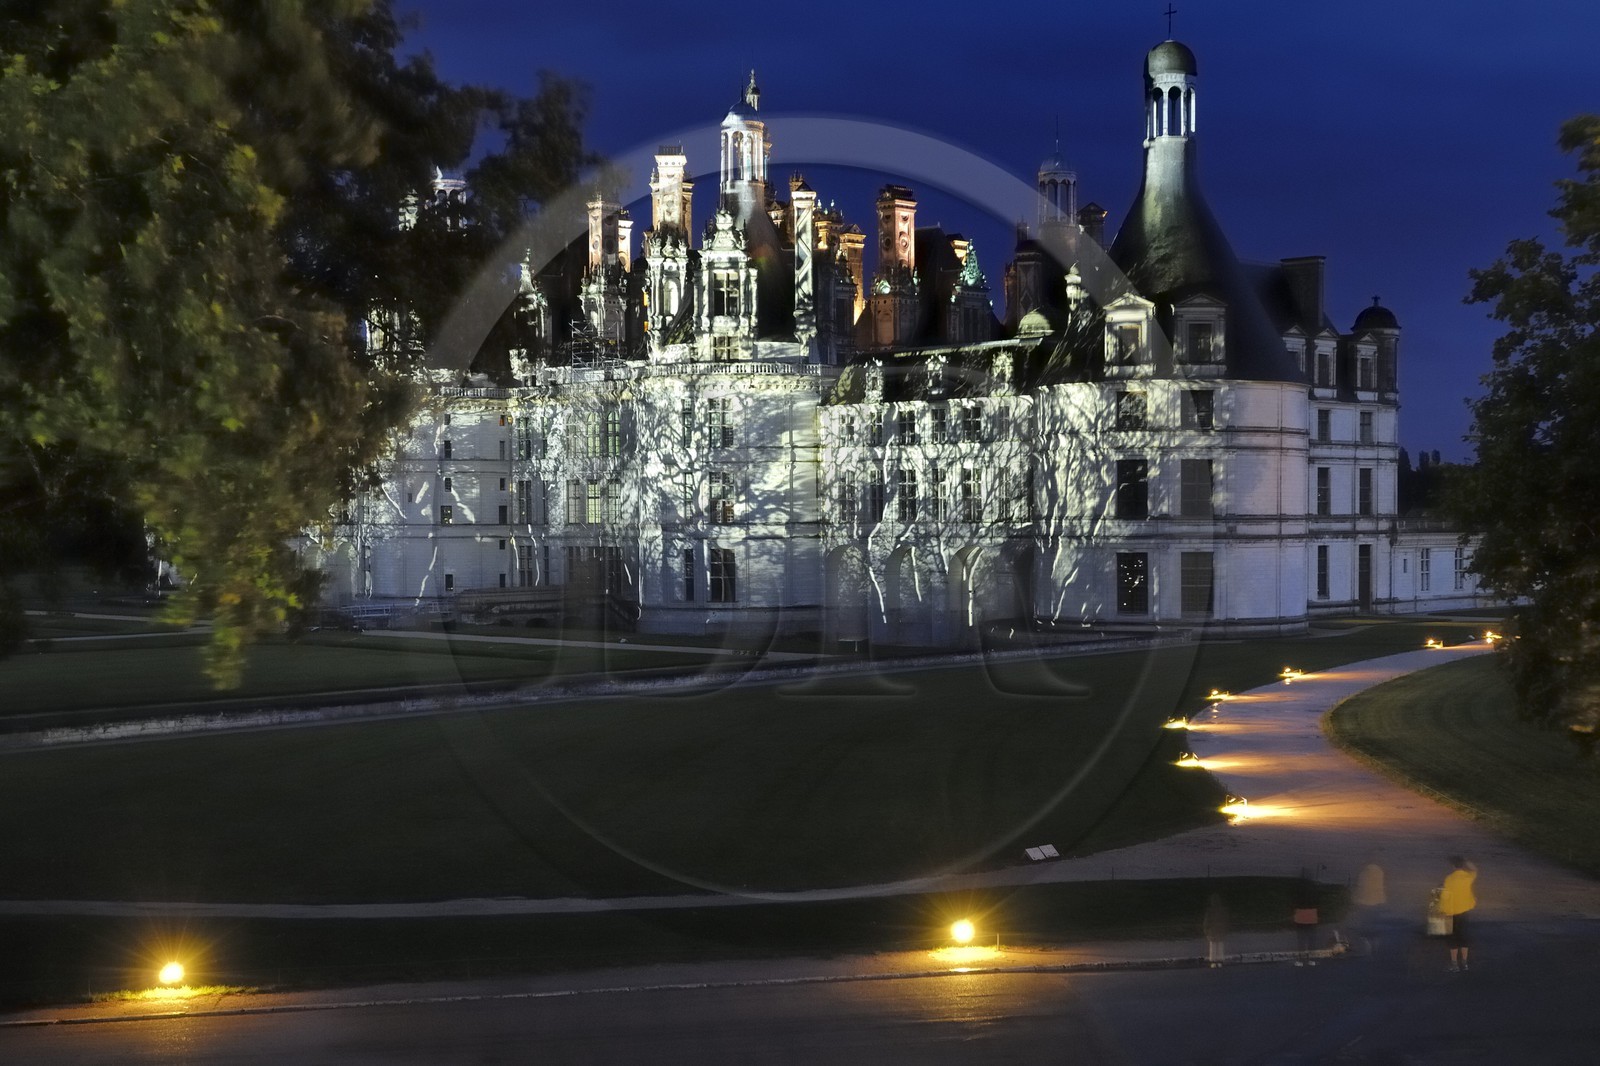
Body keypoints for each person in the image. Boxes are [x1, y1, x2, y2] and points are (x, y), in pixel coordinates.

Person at [1439, 856, 1478, 971]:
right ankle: (1465, 963)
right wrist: (1467, 861)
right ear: (1462, 866)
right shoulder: (1468, 877)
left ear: (1453, 866)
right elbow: (1475, 870)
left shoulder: (1449, 879)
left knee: (1453, 939)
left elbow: (1446, 895)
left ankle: (1454, 964)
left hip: (1451, 912)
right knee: (1463, 936)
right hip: (1464, 911)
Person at [1352, 860, 1386, 955]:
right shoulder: (1379, 872)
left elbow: (1358, 888)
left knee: (1366, 929)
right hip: (1376, 904)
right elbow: (1381, 889)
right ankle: (1374, 950)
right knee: (1374, 930)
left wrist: (1355, 900)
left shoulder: (1363, 873)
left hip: (1364, 904)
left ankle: (1369, 950)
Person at [1292, 876, 1320, 966]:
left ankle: (1300, 961)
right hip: (1312, 918)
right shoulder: (1314, 893)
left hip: (1300, 919)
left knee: (1301, 941)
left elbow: (1294, 904)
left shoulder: (1298, 893)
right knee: (1311, 941)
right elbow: (1318, 904)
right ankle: (1311, 960)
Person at [1203, 892, 1229, 968]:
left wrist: (1206, 931)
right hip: (1219, 930)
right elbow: (1226, 920)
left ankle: (1213, 961)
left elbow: (1206, 922)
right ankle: (1219, 961)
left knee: (1213, 946)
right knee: (1219, 945)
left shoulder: (1209, 911)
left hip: (1213, 931)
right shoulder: (1223, 910)